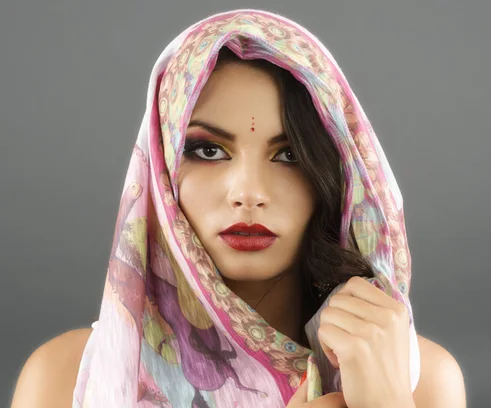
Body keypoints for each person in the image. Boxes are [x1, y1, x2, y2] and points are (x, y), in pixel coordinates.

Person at [11, 9, 466, 408]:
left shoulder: (419, 379)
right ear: (161, 171)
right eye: (208, 151)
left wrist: (386, 402)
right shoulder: (66, 379)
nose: (248, 193)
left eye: (289, 155)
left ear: (339, 178)